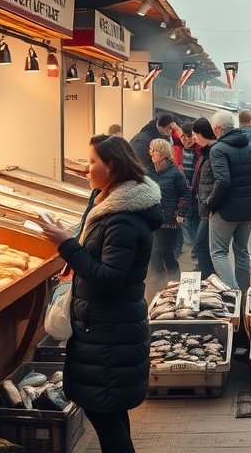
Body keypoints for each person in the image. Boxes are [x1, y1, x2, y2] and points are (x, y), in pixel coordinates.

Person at [37, 135, 162, 453]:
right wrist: (97, 186)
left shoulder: (121, 220)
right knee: (112, 413)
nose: (86, 167)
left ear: (113, 167)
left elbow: (109, 279)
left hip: (108, 333)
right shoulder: (115, 206)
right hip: (108, 330)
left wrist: (66, 244)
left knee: (104, 416)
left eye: (92, 161)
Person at [206, 111, 251, 290]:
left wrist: (210, 204)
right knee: (242, 251)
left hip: (226, 210)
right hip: (248, 209)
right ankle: (244, 293)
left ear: (218, 128)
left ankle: (233, 293)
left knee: (218, 253)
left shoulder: (218, 149)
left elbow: (223, 181)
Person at [147, 138, 188, 292]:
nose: (151, 153)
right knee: (165, 253)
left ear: (163, 153)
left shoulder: (175, 172)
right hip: (153, 218)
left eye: (155, 150)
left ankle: (162, 283)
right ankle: (173, 281)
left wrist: (180, 212)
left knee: (157, 252)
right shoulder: (149, 170)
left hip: (170, 218)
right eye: (150, 149)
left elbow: (185, 193)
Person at [190, 118, 217, 278]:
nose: (193, 138)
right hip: (205, 205)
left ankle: (208, 276)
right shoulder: (206, 150)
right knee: (204, 244)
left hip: (210, 207)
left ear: (201, 133)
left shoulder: (214, 151)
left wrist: (210, 202)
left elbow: (220, 181)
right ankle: (205, 271)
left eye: (194, 134)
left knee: (201, 243)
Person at [176, 124, 200, 260]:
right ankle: (197, 247)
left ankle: (196, 247)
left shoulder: (196, 149)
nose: (185, 140)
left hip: (191, 189)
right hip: (190, 189)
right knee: (192, 220)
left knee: (188, 221)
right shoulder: (196, 147)